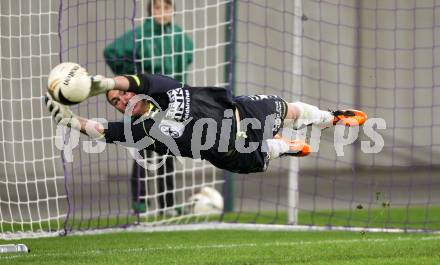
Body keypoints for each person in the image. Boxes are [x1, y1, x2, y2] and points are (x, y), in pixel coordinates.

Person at [45, 71, 368, 175]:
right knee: (270, 149)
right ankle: (283, 146)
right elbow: (102, 131)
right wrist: (71, 120)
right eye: (115, 103)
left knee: (288, 108)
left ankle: (330, 117)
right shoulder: (143, 131)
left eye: (121, 96)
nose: (122, 101)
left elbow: (137, 81)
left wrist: (100, 84)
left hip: (238, 111)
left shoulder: (165, 91)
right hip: (228, 153)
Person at [103, 0, 193, 214]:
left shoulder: (180, 38)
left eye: (167, 8)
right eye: (157, 8)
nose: (162, 12)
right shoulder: (140, 36)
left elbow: (185, 63)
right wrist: (130, 78)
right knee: (142, 149)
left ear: (173, 10)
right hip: (143, 101)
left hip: (169, 103)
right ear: (150, 11)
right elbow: (111, 52)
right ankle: (140, 201)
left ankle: (167, 204)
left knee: (169, 150)